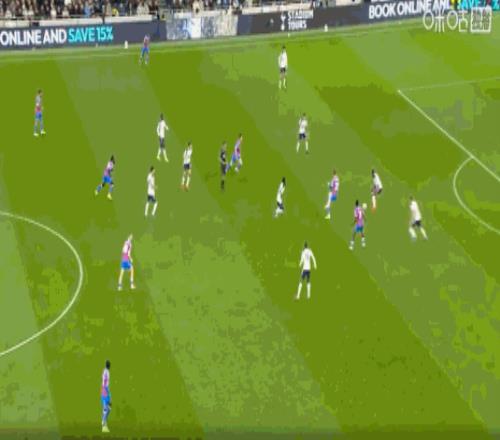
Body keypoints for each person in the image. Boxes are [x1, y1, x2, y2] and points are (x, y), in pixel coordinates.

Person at [101, 360, 112, 433]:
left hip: (103, 390)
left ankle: (103, 421)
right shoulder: (107, 372)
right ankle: (103, 425)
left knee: (108, 408)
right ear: (109, 365)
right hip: (105, 391)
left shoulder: (104, 370)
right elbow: (105, 383)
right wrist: (108, 393)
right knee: (107, 409)